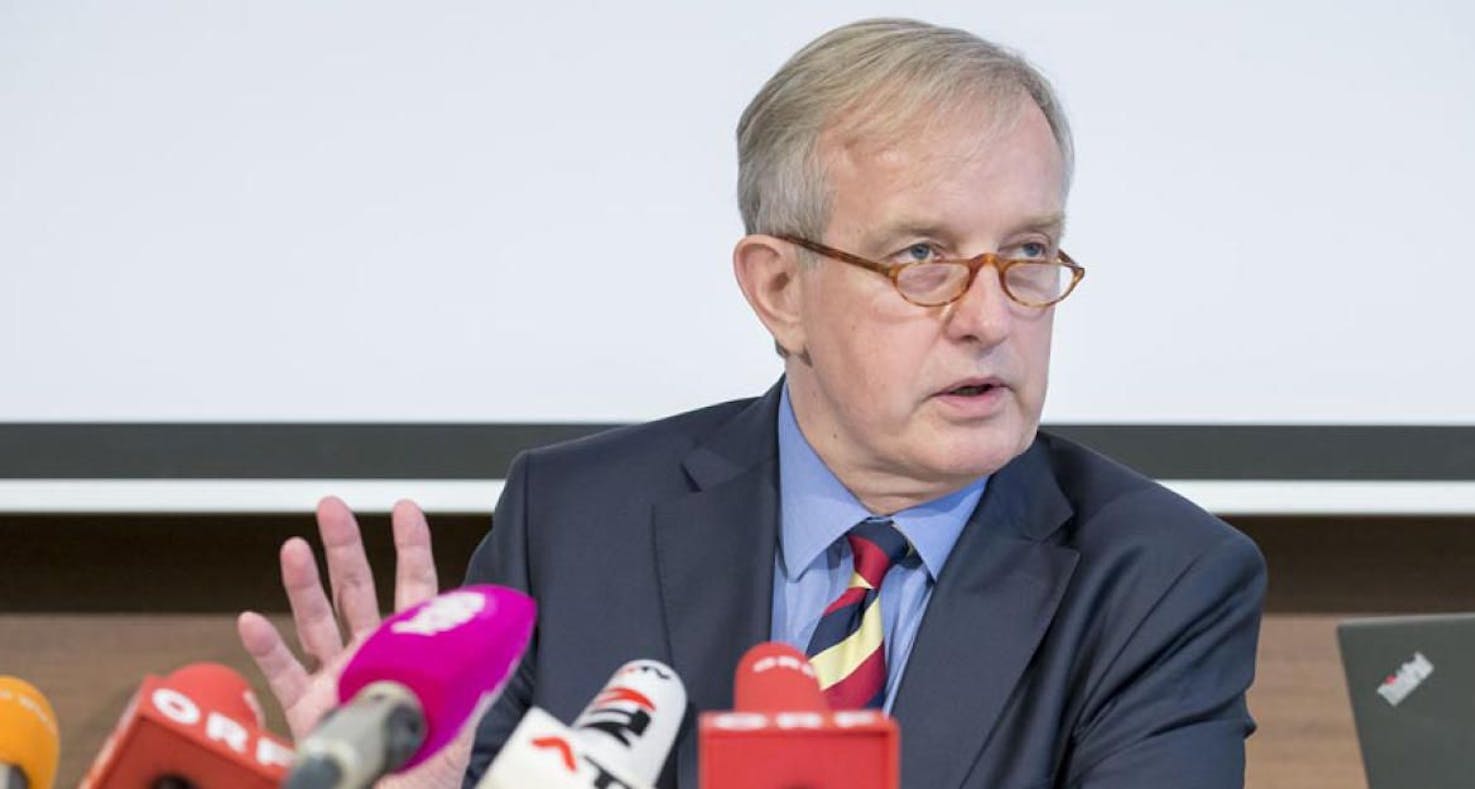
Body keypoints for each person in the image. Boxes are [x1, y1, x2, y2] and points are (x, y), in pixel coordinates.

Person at [237, 18, 1266, 788]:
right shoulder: (574, 521)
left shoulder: (1161, 581)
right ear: (778, 288)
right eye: (922, 256)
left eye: (1028, 251)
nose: (989, 317)